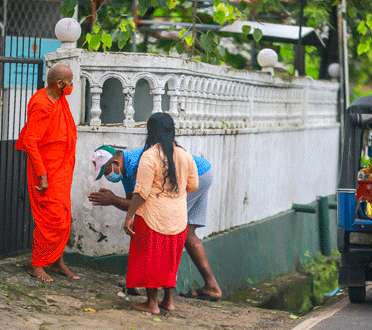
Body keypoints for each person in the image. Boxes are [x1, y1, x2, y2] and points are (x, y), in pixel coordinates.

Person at [89, 144, 222, 301]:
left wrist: (112, 200)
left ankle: (161, 286)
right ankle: (211, 286)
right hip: (202, 172)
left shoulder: (137, 165)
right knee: (187, 232)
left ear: (115, 163)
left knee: (168, 227)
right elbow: (134, 203)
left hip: (194, 175)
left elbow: (143, 203)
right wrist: (117, 203)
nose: (107, 176)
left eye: (106, 171)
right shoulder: (127, 170)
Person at [122, 112, 198, 314]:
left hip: (152, 217)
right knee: (170, 260)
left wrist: (129, 216)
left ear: (150, 131)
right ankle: (169, 301)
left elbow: (141, 193)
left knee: (151, 259)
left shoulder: (150, 156)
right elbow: (193, 185)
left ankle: (151, 303)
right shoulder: (184, 154)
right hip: (178, 218)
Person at [15, 63, 79, 283]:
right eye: (70, 82)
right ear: (60, 84)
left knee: (63, 217)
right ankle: (38, 264)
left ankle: (57, 260)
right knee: (50, 219)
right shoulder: (41, 103)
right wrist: (42, 174)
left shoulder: (59, 99)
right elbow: (31, 142)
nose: (72, 86)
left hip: (61, 169)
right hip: (46, 171)